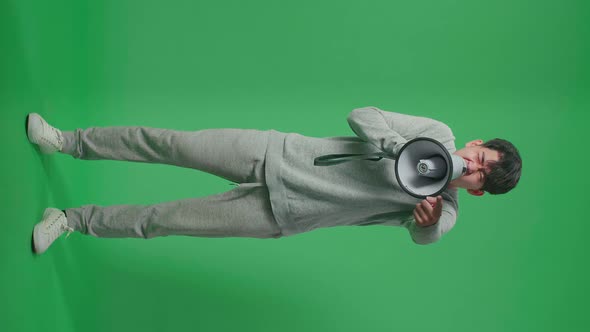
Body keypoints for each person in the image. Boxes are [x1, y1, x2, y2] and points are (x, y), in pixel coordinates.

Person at [26, 106, 522, 254]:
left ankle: (70, 220)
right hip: (273, 153)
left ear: (478, 191)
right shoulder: (436, 133)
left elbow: (428, 235)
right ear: (474, 143)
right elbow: (362, 113)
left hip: (281, 214)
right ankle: (66, 141)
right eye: (478, 156)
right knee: (171, 143)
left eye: (479, 174)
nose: (471, 165)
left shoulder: (445, 209)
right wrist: (400, 148)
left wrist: (429, 215)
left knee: (164, 220)